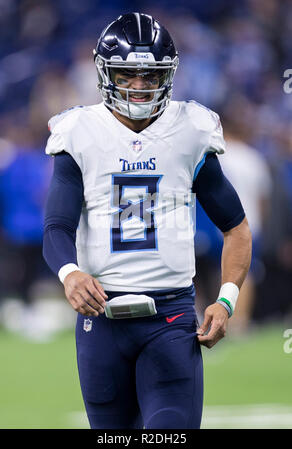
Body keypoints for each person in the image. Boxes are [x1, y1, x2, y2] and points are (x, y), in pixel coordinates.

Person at [43, 13, 252, 429]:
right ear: (106, 74)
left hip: (171, 318)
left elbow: (236, 228)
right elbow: (57, 228)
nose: (139, 86)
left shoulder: (190, 129)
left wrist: (226, 300)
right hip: (101, 319)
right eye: (127, 74)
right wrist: (69, 274)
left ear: (168, 76)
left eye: (149, 75)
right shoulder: (80, 131)